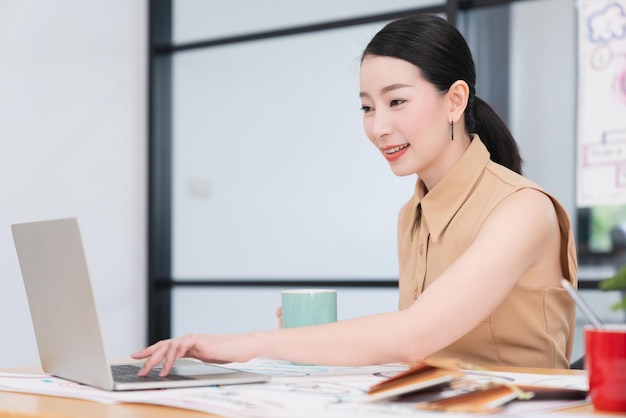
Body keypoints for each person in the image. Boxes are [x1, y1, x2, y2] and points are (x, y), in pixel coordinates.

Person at [133, 14, 577, 376]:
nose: (378, 127)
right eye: (367, 107)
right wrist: (310, 340)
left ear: (455, 101)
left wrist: (242, 344)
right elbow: (424, 352)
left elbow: (414, 336)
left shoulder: (522, 209)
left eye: (396, 102)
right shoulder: (413, 215)